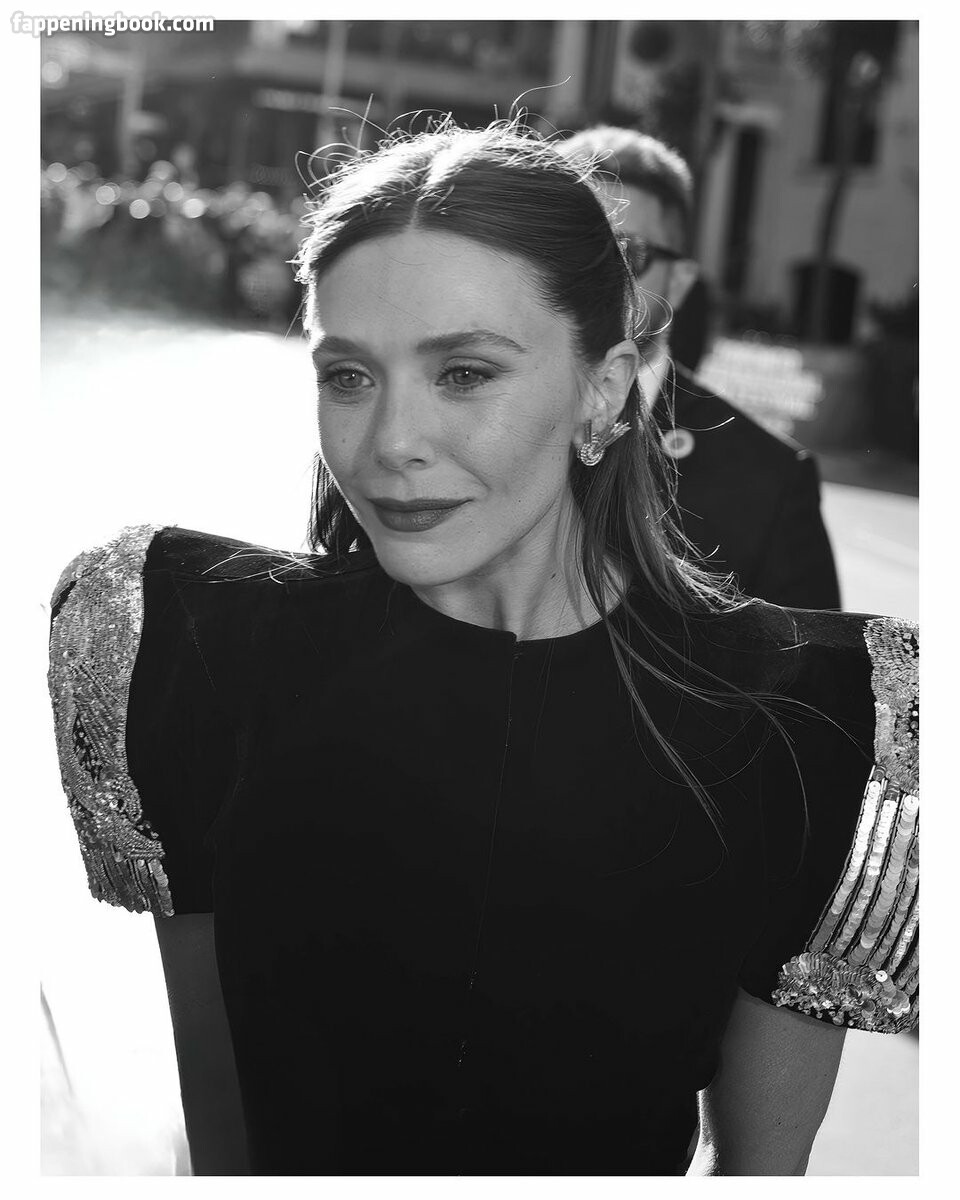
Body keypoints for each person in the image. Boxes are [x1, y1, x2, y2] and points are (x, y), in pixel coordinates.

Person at [48, 121, 918, 1177]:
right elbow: (228, 1141)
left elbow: (760, 1177)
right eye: (349, 376)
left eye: (463, 373)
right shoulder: (199, 656)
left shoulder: (797, 731)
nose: (392, 443)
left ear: (605, 387)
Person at [558, 126, 841, 610]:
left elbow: (811, 658)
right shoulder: (466, 420)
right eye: (564, 248)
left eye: (626, 252)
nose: (592, 278)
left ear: (680, 282)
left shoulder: (769, 483)